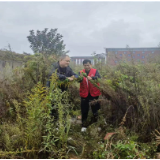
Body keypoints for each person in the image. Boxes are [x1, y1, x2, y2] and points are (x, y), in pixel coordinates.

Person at [46, 55, 78, 121]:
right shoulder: (54, 66)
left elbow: (75, 74)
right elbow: (52, 74)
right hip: (53, 89)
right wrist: (65, 77)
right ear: (61, 60)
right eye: (67, 61)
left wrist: (74, 77)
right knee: (53, 106)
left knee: (63, 105)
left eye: (69, 61)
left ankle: (62, 121)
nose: (68, 62)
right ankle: (53, 122)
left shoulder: (68, 68)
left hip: (63, 90)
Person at [78, 59, 101, 132]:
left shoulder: (95, 71)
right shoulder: (81, 72)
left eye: (88, 65)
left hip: (94, 93)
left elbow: (99, 78)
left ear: (91, 65)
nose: (87, 67)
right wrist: (80, 78)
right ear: (83, 66)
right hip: (84, 94)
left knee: (95, 109)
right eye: (85, 65)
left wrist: (92, 78)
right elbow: (78, 80)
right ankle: (84, 125)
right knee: (84, 110)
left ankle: (96, 124)